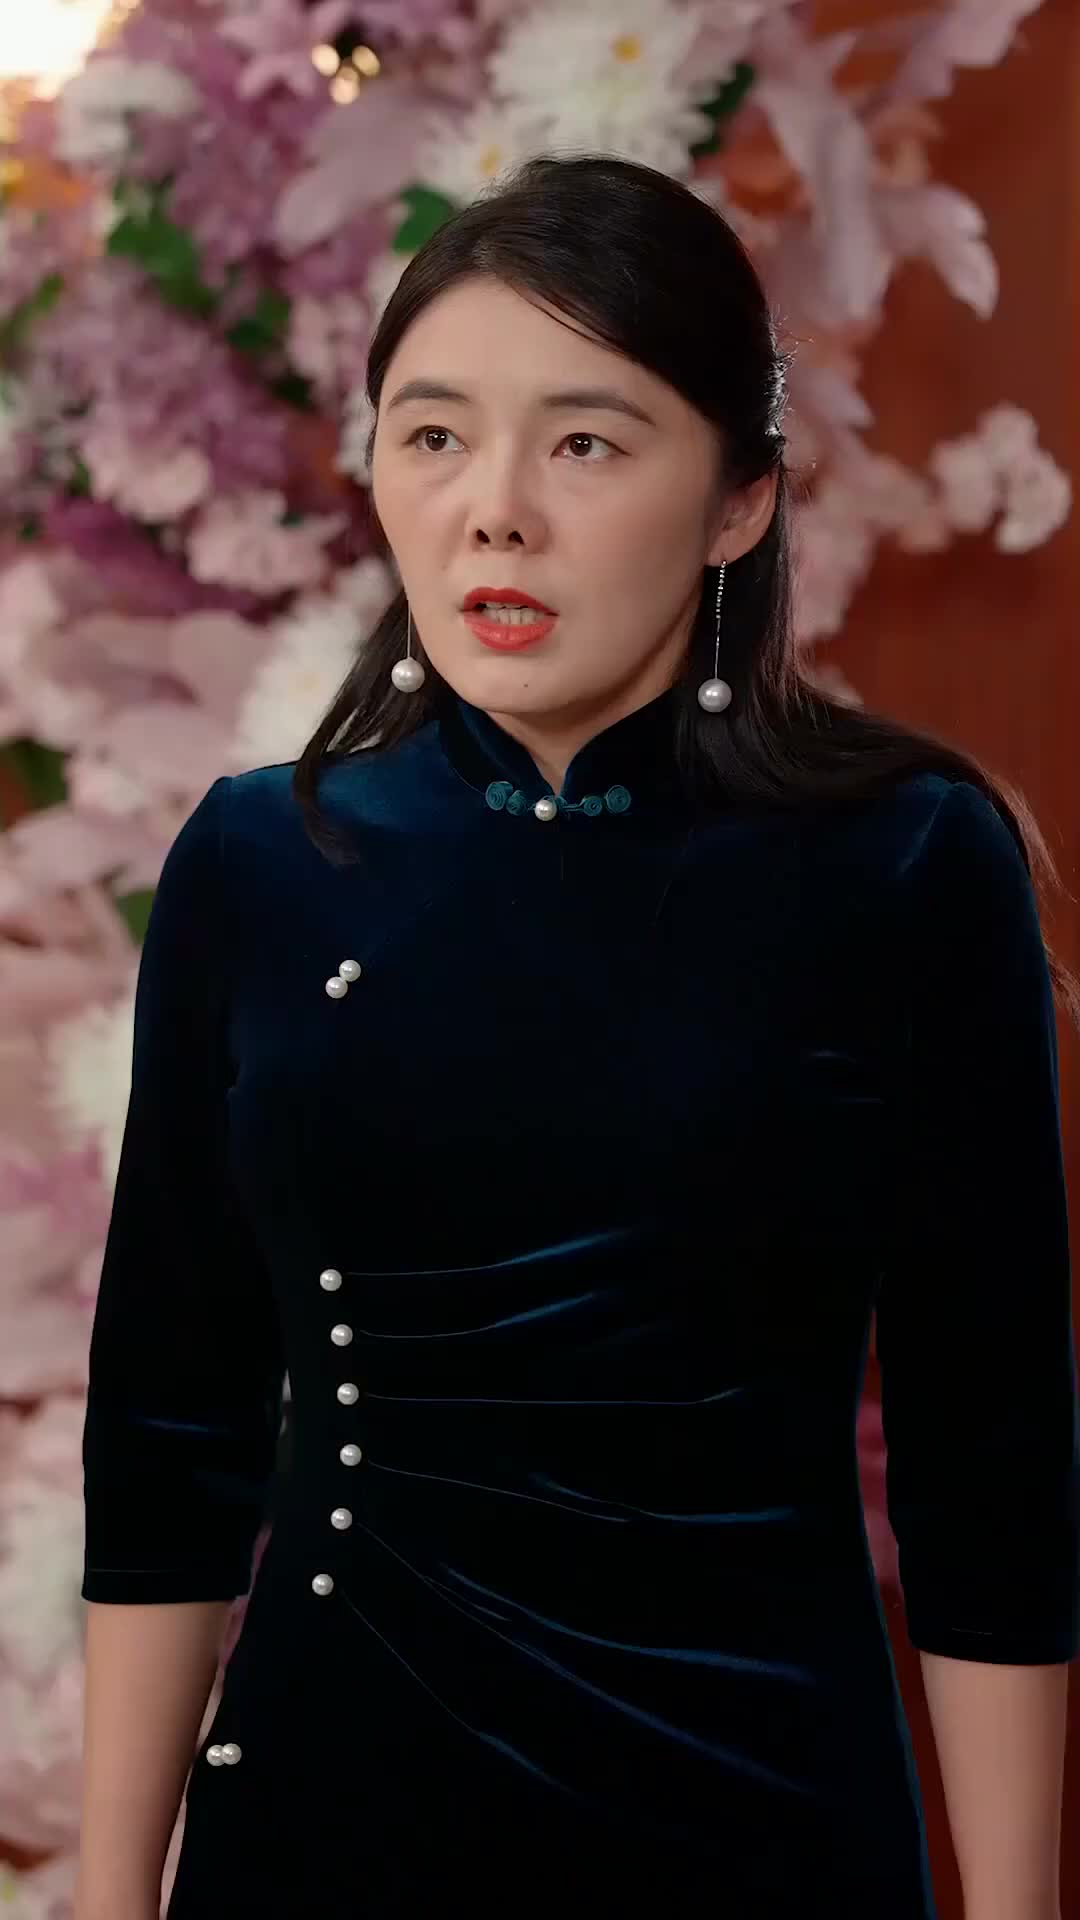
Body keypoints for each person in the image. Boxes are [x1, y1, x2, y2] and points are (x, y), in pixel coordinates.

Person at [74, 153, 1080, 1920]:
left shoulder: (907, 864)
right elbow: (170, 1432)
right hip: (322, 1816)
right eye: (433, 435)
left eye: (589, 444)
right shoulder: (258, 860)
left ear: (740, 501)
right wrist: (106, 1897)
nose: (496, 514)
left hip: (762, 1825)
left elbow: (988, 1465)